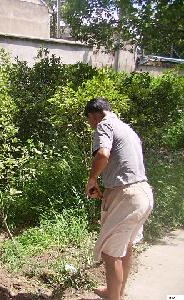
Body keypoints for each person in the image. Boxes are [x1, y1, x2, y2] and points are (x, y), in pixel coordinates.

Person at [84, 97, 154, 300]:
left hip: (127, 196)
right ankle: (116, 292)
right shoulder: (127, 129)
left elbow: (103, 154)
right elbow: (124, 167)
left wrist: (92, 179)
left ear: (94, 115)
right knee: (125, 246)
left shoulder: (104, 125)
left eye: (89, 120)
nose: (91, 125)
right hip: (143, 193)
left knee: (110, 253)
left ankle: (114, 297)